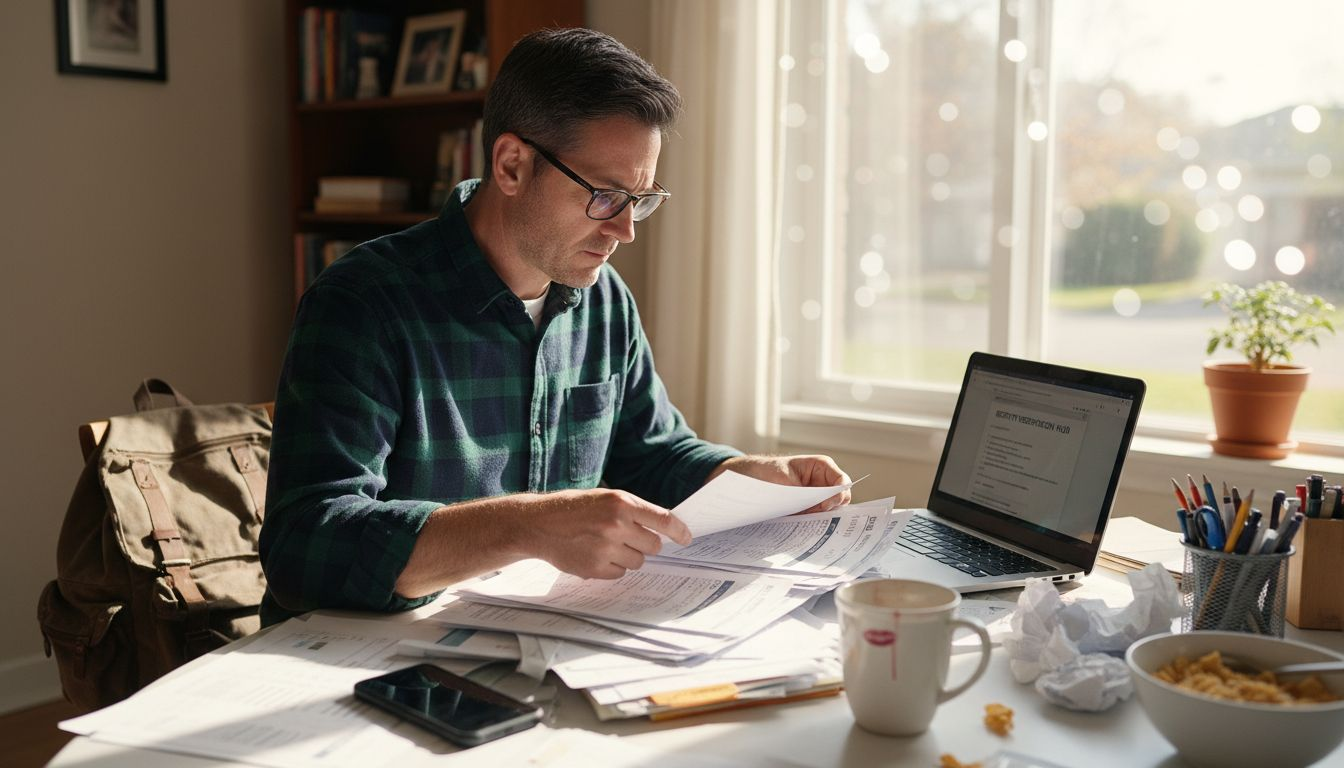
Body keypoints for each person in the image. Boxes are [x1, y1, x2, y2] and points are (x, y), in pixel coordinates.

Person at [259, 28, 851, 626]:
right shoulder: (364, 303)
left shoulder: (604, 301)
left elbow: (651, 454)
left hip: (537, 644)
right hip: (361, 662)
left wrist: (743, 475)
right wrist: (528, 526)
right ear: (512, 165)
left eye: (641, 199)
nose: (625, 232)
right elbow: (304, 546)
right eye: (605, 196)